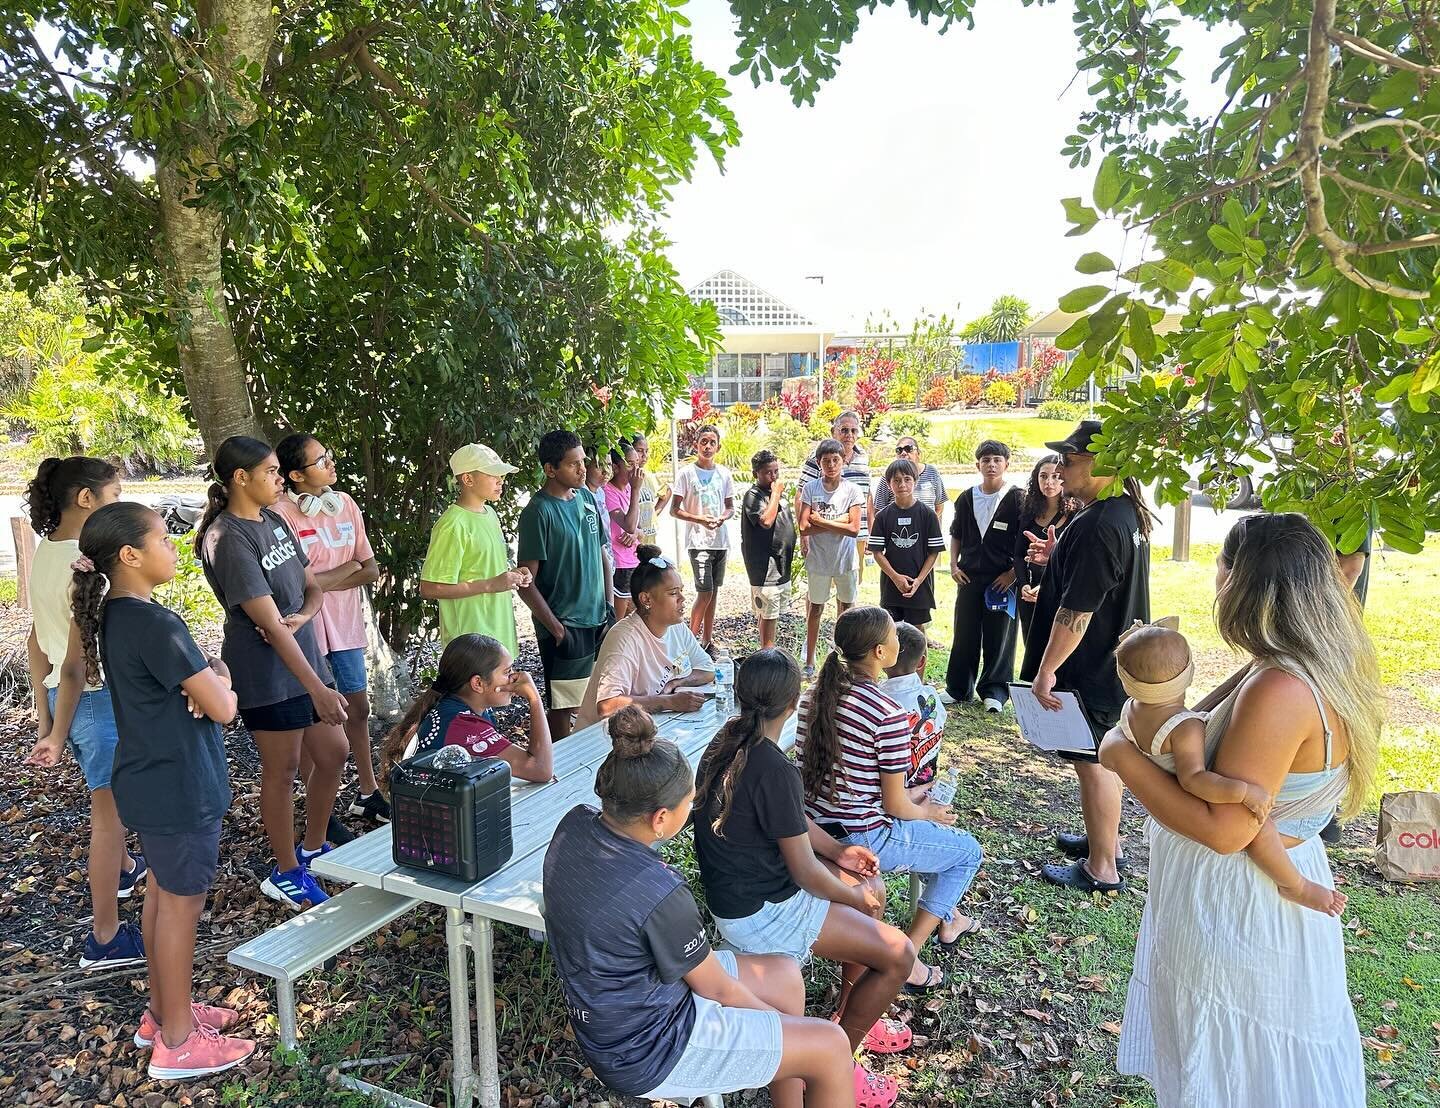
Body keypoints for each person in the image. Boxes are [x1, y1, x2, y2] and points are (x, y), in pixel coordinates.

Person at [1102, 512, 1379, 1106]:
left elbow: (1229, 831)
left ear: (1236, 580)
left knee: (1241, 1072)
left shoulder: (1280, 687)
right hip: (1250, 898)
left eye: (1220, 568)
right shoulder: (1288, 664)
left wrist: (1122, 755)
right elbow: (1192, 730)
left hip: (1243, 904)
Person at [542, 707, 863, 1108]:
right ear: (660, 818)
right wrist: (789, 1026)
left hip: (617, 1009)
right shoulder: (656, 891)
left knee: (784, 974)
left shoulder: (573, 824)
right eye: (689, 803)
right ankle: (809, 1057)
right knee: (830, 1045)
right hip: (650, 1048)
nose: (693, 809)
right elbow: (716, 989)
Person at [73, 502, 252, 1078]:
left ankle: (164, 1010)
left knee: (159, 895)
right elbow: (223, 708)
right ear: (130, 556)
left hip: (149, 777)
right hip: (179, 783)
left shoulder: (118, 616)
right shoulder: (156, 623)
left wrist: (203, 685)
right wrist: (219, 676)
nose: (174, 547)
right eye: (163, 540)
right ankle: (177, 1041)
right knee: (180, 906)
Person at [694, 649, 914, 1091]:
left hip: (736, 899)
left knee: (867, 882)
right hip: (763, 911)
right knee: (900, 954)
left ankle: (846, 1023)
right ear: (794, 704)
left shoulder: (727, 741)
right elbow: (805, 874)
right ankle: (836, 1058)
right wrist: (854, 896)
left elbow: (788, 819)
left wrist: (839, 851)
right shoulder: (773, 766)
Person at [195, 435, 349, 909]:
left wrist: (303, 615)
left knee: (334, 754)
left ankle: (312, 846)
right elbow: (268, 626)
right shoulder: (227, 538)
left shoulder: (274, 519)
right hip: (266, 673)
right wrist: (319, 691)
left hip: (304, 658)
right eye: (270, 472)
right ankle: (285, 871)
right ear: (240, 478)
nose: (279, 479)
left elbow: (312, 588)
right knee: (281, 771)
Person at [798, 606, 984, 994]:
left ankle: (949, 921)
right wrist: (925, 809)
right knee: (967, 852)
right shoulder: (889, 712)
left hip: (814, 824)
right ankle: (907, 956)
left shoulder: (813, 695)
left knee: (938, 840)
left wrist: (907, 800)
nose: (902, 641)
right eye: (895, 637)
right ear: (880, 652)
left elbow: (850, 776)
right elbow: (897, 808)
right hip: (865, 837)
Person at [1114, 621, 1345, 914]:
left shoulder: (1132, 710)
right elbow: (1194, 779)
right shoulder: (1185, 728)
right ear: (1188, 675)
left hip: (1174, 803)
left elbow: (1123, 744)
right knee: (1260, 832)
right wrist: (1244, 791)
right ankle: (1294, 885)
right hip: (1202, 800)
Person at [1020, 420, 1153, 893]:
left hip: (1091, 666)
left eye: (1070, 460)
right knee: (1100, 759)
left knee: (1094, 762)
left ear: (1102, 464)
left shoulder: (1100, 524)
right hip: (1112, 662)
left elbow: (1078, 611)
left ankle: (1102, 867)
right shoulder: (1123, 514)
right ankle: (1106, 841)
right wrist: (1060, 555)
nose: (1060, 467)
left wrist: (1046, 670)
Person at [22, 456, 145, 969]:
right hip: (91, 702)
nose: (120, 503)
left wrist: (47, 718)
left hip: (66, 701)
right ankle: (105, 936)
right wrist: (59, 728)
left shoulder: (47, 553)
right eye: (115, 494)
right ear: (86, 499)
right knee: (107, 818)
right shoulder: (86, 565)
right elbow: (75, 665)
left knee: (108, 810)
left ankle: (121, 870)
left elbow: (36, 644)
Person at [273, 433, 388, 830]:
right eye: (321, 459)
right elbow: (294, 587)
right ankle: (319, 806)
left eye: (329, 455)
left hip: (345, 628)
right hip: (304, 633)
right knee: (313, 721)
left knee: (357, 709)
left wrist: (319, 581)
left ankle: (368, 793)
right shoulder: (280, 514)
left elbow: (370, 568)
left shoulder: (347, 505)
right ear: (295, 476)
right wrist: (343, 573)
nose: (331, 462)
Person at [517, 430, 612, 740]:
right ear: (550, 469)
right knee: (564, 705)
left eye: (583, 461)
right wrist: (557, 629)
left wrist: (608, 605)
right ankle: (561, 768)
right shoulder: (538, 512)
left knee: (597, 697)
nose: (583, 469)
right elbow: (525, 582)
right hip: (565, 625)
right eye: (573, 465)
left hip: (598, 619)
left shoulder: (585, 498)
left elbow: (602, 556)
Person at [379, 633, 553, 783]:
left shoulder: (463, 707)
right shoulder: (462, 724)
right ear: (478, 683)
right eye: (507, 672)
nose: (515, 677)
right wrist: (534, 698)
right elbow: (541, 769)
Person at [575, 546, 711, 728]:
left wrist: (676, 682)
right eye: (673, 593)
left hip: (646, 731)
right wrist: (668, 702)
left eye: (681, 590)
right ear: (646, 600)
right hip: (601, 741)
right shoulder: (625, 638)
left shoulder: (676, 627)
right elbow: (607, 706)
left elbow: (707, 670)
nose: (683, 598)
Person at [419, 443, 530, 656]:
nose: (500, 481)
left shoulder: (490, 513)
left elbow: (485, 568)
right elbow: (430, 587)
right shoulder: (452, 524)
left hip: (500, 634)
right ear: (468, 479)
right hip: (470, 644)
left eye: (502, 475)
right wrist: (491, 584)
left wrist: (514, 574)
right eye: (493, 474)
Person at [944, 440, 1023, 713]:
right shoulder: (967, 497)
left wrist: (1013, 574)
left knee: (999, 636)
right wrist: (954, 565)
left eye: (996, 460)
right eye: (986, 459)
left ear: (1006, 464)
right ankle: (958, 688)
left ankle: (995, 692)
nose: (991, 465)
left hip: (1002, 580)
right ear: (977, 464)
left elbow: (1025, 541)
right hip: (969, 578)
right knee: (964, 634)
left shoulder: (1017, 498)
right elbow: (956, 533)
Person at [798, 438, 865, 678]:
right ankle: (809, 660)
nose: (831, 465)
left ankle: (842, 657)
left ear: (843, 461)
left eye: (836, 460)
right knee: (815, 608)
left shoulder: (852, 490)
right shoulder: (811, 488)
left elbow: (854, 529)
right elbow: (804, 527)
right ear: (819, 463)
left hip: (845, 560)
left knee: (846, 610)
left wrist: (821, 521)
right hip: (819, 560)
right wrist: (840, 521)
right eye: (826, 461)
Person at [669, 423, 734, 652]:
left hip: (720, 542)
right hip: (699, 543)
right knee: (704, 592)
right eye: (703, 442)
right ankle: (689, 643)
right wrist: (700, 520)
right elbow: (674, 509)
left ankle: (707, 641)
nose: (707, 446)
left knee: (714, 593)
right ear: (695, 445)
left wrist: (721, 519)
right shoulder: (686, 474)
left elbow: (730, 507)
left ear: (718, 446)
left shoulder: (724, 474)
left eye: (712, 442)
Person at [869, 459, 945, 633]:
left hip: (920, 584)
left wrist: (918, 581)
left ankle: (920, 660)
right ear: (889, 484)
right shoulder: (883, 516)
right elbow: (877, 552)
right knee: (892, 630)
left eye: (907, 479)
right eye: (896, 480)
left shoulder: (928, 514)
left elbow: (933, 553)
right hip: (891, 585)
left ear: (915, 481)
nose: (902, 484)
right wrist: (896, 577)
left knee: (917, 631)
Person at [801, 409, 871, 581]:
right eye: (844, 430)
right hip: (821, 540)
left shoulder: (863, 458)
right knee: (818, 590)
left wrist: (870, 531)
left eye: (854, 430)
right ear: (834, 432)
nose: (849, 435)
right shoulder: (817, 458)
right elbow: (801, 495)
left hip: (855, 534)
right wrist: (804, 537)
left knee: (849, 589)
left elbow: (868, 496)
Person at [1014, 453, 1075, 646]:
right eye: (1043, 476)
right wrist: (1023, 584)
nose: (1049, 482)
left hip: (1059, 592)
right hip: (1028, 592)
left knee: (1055, 647)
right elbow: (1018, 554)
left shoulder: (1075, 514)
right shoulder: (1029, 511)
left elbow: (1075, 560)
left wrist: (1047, 587)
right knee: (1031, 645)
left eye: (1055, 476)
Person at [740, 449, 797, 650]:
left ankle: (767, 650)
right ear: (756, 474)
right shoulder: (753, 496)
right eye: (768, 473)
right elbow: (766, 520)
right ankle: (767, 654)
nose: (774, 477)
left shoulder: (776, 495)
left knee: (772, 614)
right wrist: (775, 493)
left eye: (776, 471)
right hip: (765, 569)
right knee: (768, 614)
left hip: (782, 566)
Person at [880, 622, 946, 789]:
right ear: (921, 662)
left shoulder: (881, 701)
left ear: (882, 656)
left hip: (893, 795)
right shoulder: (932, 696)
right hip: (925, 788)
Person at [604, 443, 643, 621]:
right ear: (615, 467)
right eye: (629, 464)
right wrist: (636, 489)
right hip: (619, 563)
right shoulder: (608, 491)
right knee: (620, 620)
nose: (635, 469)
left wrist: (635, 534)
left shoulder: (628, 489)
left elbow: (638, 528)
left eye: (637, 463)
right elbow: (628, 524)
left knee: (637, 616)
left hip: (633, 559)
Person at [872, 437, 945, 528]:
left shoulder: (932, 472)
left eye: (908, 449)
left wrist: (929, 526)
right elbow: (878, 511)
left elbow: (939, 507)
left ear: (918, 453)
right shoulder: (888, 476)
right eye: (899, 450)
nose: (903, 453)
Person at [630, 433, 671, 546]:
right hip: (634, 542)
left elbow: (667, 491)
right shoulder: (625, 479)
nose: (644, 455)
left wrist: (655, 513)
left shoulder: (649, 477)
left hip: (650, 540)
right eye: (639, 450)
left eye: (646, 451)